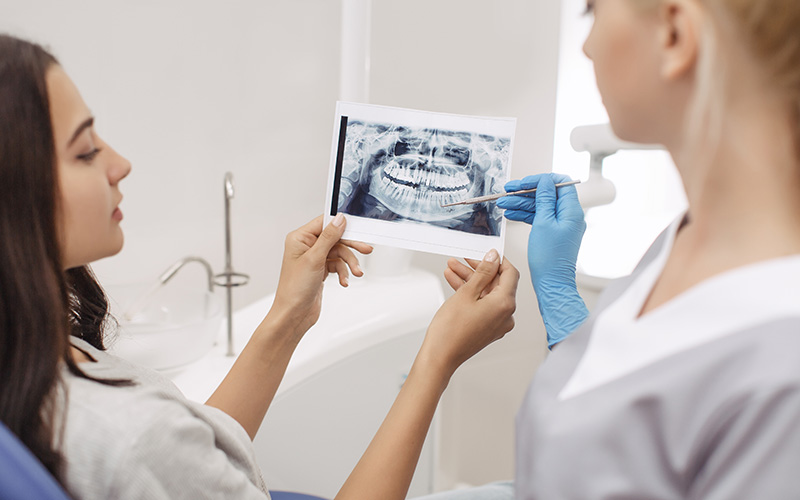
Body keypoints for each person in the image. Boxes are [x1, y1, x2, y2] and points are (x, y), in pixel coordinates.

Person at [0, 33, 520, 500]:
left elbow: (193, 462)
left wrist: (289, 314)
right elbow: (158, 451)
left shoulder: (31, 351)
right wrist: (436, 361)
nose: (120, 164)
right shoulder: (130, 437)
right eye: (86, 150)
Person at [436, 0, 800, 497]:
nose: (585, 46)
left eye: (592, 11)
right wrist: (560, 296)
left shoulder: (783, 383)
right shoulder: (683, 238)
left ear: (674, 33)